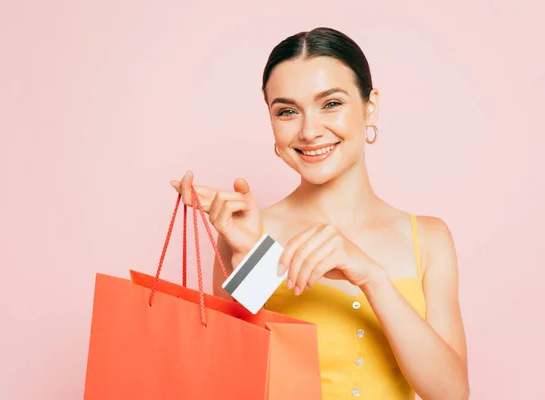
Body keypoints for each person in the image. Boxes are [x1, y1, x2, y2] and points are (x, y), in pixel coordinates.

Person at [171, 27, 469, 400]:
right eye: (287, 111)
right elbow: (228, 377)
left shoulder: (428, 238)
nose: (310, 131)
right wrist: (250, 258)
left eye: (331, 103)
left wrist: (372, 278)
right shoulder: (252, 231)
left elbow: (451, 393)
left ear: (370, 106)